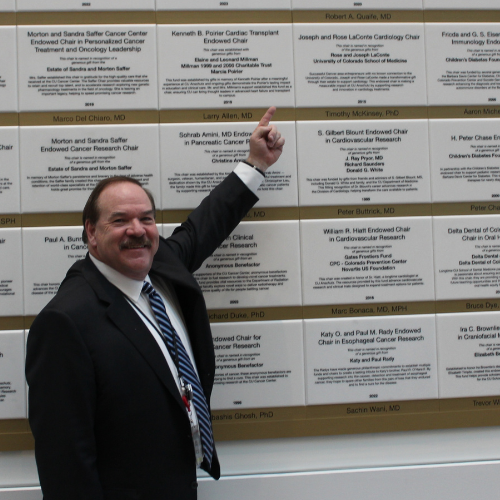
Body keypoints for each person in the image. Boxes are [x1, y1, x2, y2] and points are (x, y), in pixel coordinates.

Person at [25, 107, 285, 500]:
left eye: (146, 218)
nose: (137, 231)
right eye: (120, 220)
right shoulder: (67, 322)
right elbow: (65, 463)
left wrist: (256, 163)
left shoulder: (161, 266)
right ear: (91, 233)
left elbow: (205, 226)